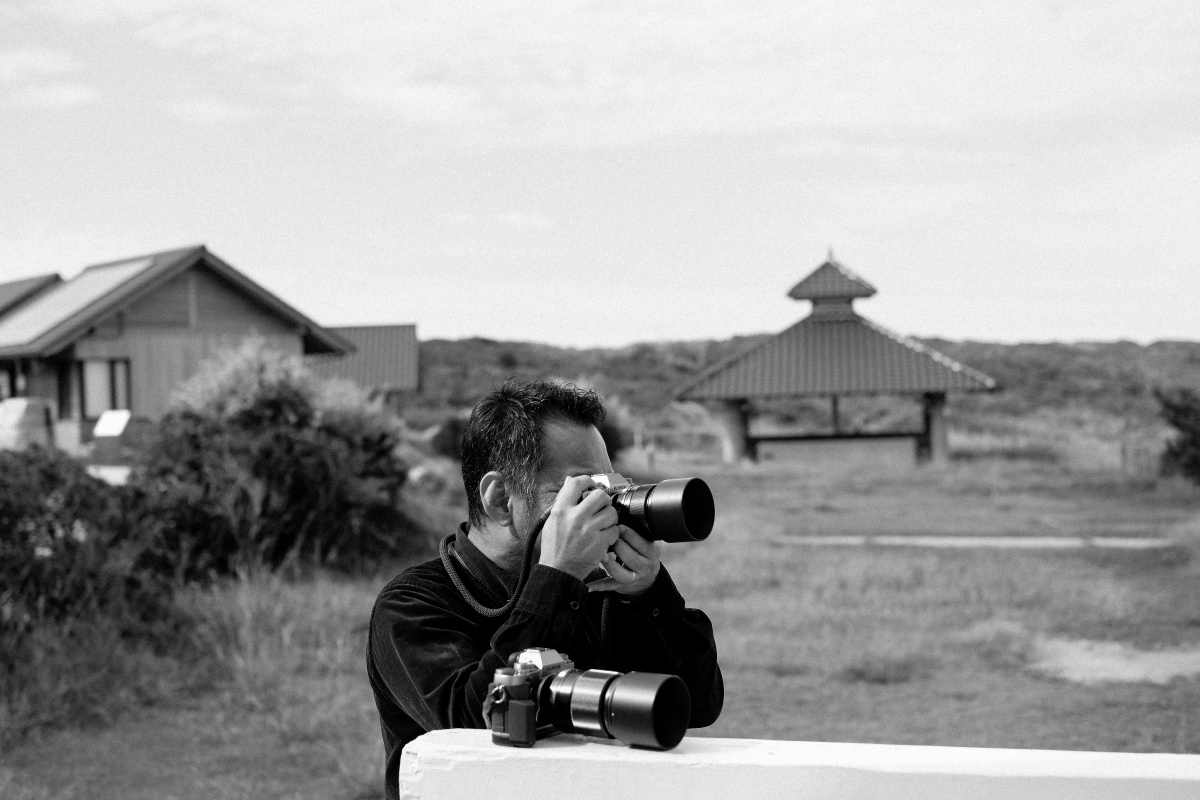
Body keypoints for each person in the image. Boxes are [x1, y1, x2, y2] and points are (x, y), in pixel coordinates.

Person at [367, 379, 723, 799]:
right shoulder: (412, 605)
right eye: (580, 489)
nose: (603, 506)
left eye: (609, 488)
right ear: (500, 500)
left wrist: (649, 592)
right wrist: (557, 575)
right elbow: (472, 730)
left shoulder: (597, 592)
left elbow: (699, 704)